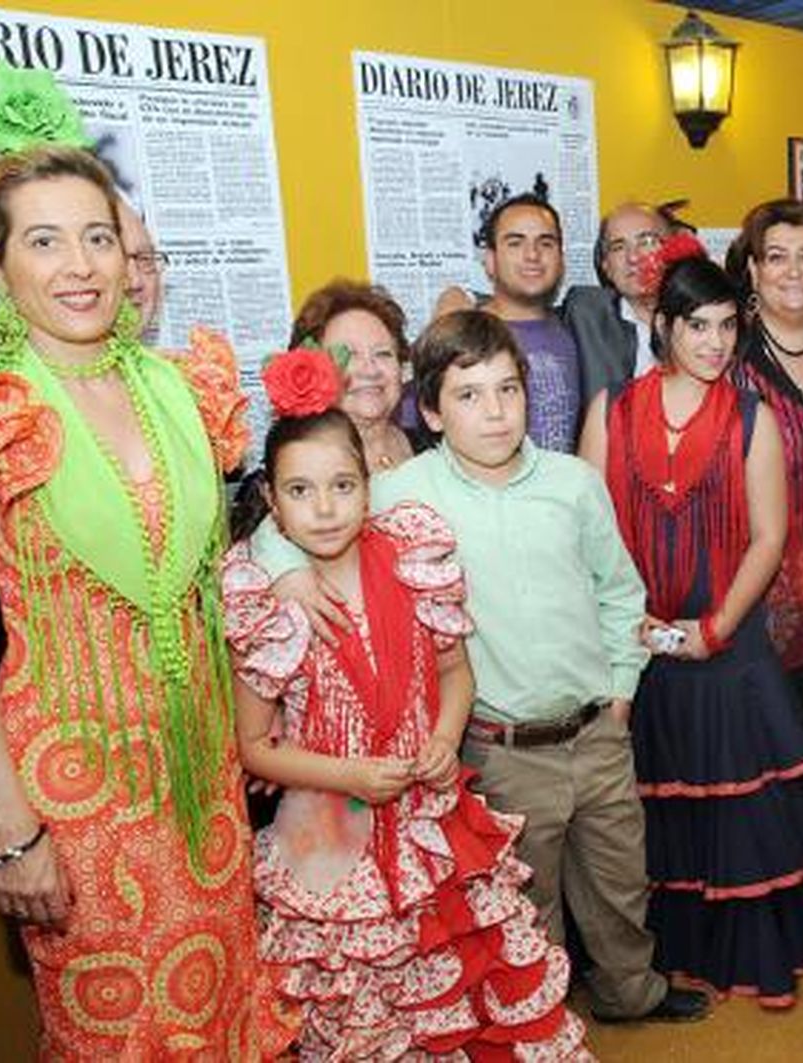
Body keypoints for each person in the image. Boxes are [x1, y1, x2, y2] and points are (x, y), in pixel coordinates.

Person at [0, 145, 293, 1055]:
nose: (80, 265)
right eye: (46, 240)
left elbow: (205, 590)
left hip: (200, 778)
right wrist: (13, 832)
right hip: (70, 795)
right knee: (118, 1029)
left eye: (98, 237)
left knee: (221, 1003)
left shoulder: (181, 391)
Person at [249, 310, 709, 1026]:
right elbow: (293, 520)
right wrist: (282, 571)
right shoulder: (403, 495)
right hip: (502, 747)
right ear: (430, 409)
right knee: (525, 904)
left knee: (620, 881)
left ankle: (632, 989)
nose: (495, 412)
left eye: (508, 389)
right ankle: (541, 1024)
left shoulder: (573, 483)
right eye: (468, 395)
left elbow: (621, 591)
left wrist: (620, 690)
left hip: (596, 730)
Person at [222, 355, 591, 1059]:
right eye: (301, 490)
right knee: (365, 1010)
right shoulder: (267, 599)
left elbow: (456, 671)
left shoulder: (413, 558)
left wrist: (448, 737)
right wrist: (349, 776)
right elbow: (255, 746)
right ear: (273, 501)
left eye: (341, 486)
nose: (324, 507)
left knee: (465, 986)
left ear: (369, 488)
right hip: (330, 836)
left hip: (433, 822)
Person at [578, 242, 803, 1007]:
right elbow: (591, 536)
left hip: (727, 641)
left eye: (728, 324)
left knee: (737, 805)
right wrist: (635, 625)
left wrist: (715, 628)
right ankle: (669, 954)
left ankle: (752, 956)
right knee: (653, 810)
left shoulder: (751, 415)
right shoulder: (611, 410)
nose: (716, 343)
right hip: (637, 643)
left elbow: (769, 536)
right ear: (662, 325)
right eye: (698, 325)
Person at [0, 196, 173, 850]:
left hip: (181, 769)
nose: (121, 274)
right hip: (52, 770)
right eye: (48, 242)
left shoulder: (166, 389)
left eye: (128, 251)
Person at [724, 197, 803, 834]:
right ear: (752, 271)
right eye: (776, 257)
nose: (794, 271)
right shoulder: (730, 360)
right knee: (772, 729)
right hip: (766, 581)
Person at [436, 193, 582, 452]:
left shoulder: (578, 325)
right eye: (515, 243)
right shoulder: (464, 334)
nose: (533, 255)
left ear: (561, 260)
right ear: (490, 261)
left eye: (546, 243)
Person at [287, 278, 426, 473]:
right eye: (349, 355)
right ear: (310, 372)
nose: (370, 370)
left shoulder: (431, 449)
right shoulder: (296, 470)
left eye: (383, 353)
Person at [565, 201, 671, 403]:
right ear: (606, 266)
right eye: (618, 247)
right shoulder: (585, 313)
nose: (633, 257)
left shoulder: (703, 318)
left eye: (647, 241)